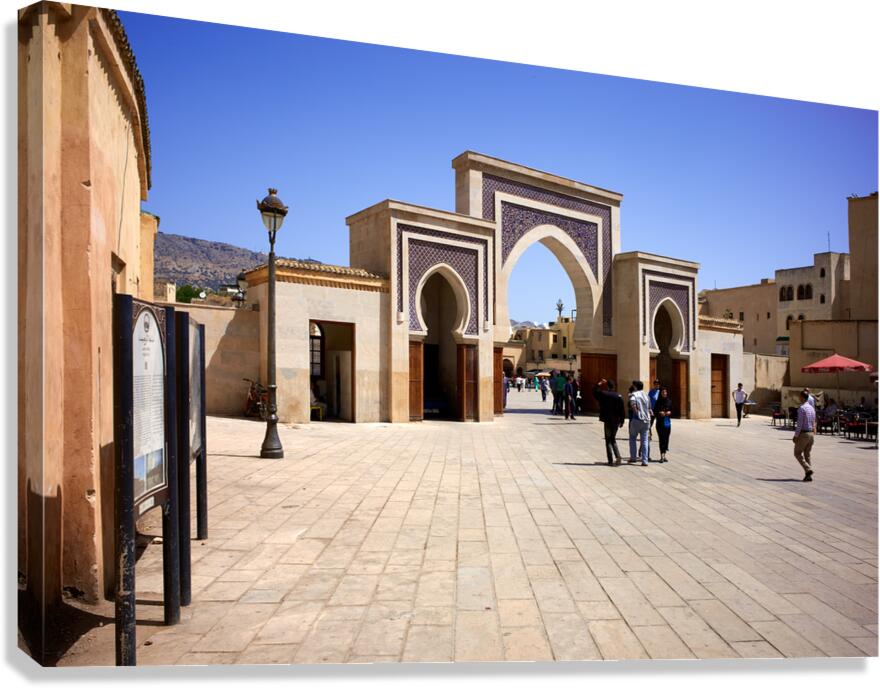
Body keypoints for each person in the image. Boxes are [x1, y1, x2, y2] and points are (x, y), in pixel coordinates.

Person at [594, 379, 625, 465]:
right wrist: (622, 421)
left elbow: (595, 392)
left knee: (608, 440)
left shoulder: (604, 394)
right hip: (616, 421)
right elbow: (622, 410)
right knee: (613, 439)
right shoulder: (618, 396)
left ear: (607, 386)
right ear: (614, 386)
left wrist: (599, 383)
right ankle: (618, 456)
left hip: (607, 420)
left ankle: (610, 460)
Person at [792, 389, 816, 482]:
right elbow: (814, 421)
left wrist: (796, 436)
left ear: (802, 397)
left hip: (804, 433)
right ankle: (808, 475)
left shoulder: (802, 408)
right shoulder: (812, 408)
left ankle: (808, 469)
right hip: (811, 433)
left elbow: (800, 423)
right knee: (807, 455)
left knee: (797, 453)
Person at [628, 380, 651, 465]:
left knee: (633, 438)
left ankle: (633, 458)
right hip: (646, 420)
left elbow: (633, 405)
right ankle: (645, 460)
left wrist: (637, 413)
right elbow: (649, 408)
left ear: (636, 387)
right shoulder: (646, 395)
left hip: (637, 419)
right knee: (644, 440)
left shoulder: (634, 395)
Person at [654, 387, 673, 462]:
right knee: (661, 439)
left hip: (667, 423)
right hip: (660, 423)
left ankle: (664, 453)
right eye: (663, 392)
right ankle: (662, 455)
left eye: (665, 392)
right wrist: (659, 413)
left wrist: (670, 412)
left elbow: (672, 410)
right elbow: (655, 412)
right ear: (660, 394)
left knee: (666, 438)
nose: (664, 393)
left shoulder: (669, 401)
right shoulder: (658, 402)